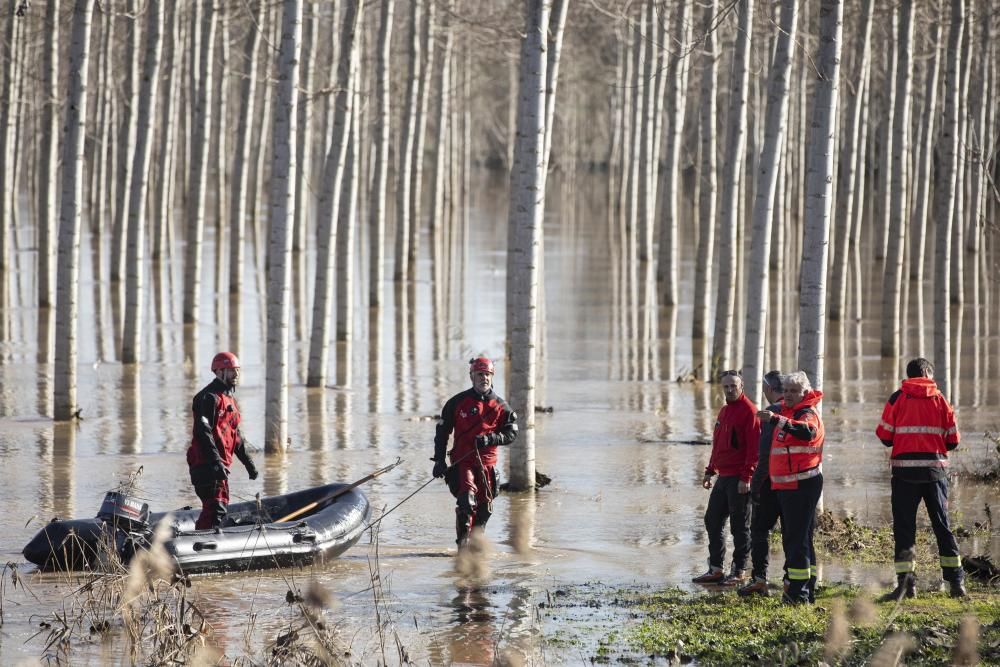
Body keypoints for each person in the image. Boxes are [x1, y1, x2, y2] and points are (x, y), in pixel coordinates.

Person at [875, 357, 965, 600]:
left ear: (910, 374)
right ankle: (956, 583)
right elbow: (953, 440)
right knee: (942, 526)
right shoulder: (940, 399)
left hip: (904, 474)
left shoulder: (897, 398)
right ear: (927, 373)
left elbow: (884, 436)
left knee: (905, 530)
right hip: (934, 473)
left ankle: (907, 587)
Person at [432, 357, 518, 547]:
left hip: (487, 463)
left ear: (492, 377)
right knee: (466, 502)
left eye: (487, 374)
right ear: (471, 376)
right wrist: (439, 461)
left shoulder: (502, 407)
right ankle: (462, 547)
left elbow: (511, 434)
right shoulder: (456, 402)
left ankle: (476, 545)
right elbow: (442, 432)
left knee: (485, 508)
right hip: (463, 462)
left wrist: (492, 439)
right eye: (480, 374)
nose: (484, 378)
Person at [758, 370, 823, 605]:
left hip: (802, 485)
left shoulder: (806, 413)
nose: (789, 395)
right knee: (800, 539)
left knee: (796, 541)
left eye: (794, 391)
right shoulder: (788, 412)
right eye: (785, 391)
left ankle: (798, 594)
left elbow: (807, 432)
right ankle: (806, 590)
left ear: (805, 392)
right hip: (786, 486)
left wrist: (777, 420)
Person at [692, 370, 761, 585]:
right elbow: (719, 445)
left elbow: (754, 449)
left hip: (739, 479)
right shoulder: (723, 412)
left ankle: (739, 570)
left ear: (742, 387)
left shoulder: (750, 412)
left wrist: (746, 477)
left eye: (733, 386)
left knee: (740, 527)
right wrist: (710, 470)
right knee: (712, 520)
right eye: (726, 387)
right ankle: (716, 569)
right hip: (723, 477)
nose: (729, 390)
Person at [186, 352, 258, 531]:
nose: (236, 375)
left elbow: (236, 437)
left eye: (237, 370)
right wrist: (215, 462)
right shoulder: (207, 397)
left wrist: (248, 463)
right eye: (231, 371)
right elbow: (203, 432)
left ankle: (208, 539)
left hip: (220, 466)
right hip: (204, 464)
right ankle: (200, 545)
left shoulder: (230, 400)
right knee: (215, 508)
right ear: (219, 372)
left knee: (220, 506)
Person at [738, 370, 784, 597]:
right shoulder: (801, 410)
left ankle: (759, 580)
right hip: (797, 484)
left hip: (771, 483)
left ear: (767, 389)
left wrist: (755, 485)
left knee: (759, 530)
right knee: (795, 535)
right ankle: (794, 583)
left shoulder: (772, 412)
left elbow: (764, 454)